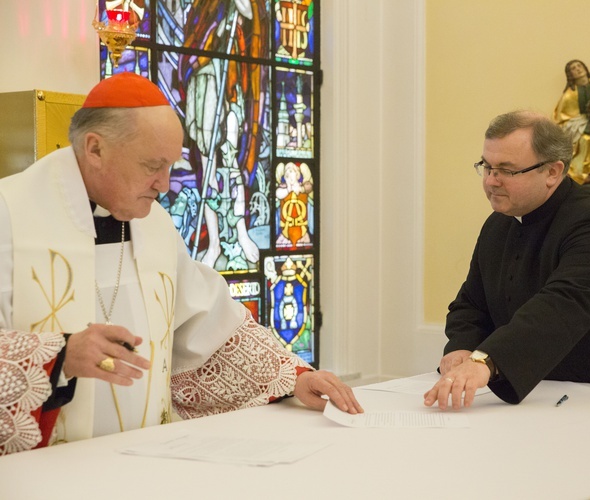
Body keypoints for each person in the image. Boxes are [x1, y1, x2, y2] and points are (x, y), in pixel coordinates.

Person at [0, 72, 362, 456]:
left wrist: (293, 377)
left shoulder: (153, 223)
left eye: (171, 165)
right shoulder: (11, 214)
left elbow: (208, 326)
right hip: (39, 472)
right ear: (95, 149)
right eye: (152, 165)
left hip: (143, 458)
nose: (166, 184)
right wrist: (60, 356)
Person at [423, 111, 590, 410]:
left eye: (506, 170)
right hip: (548, 395)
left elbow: (560, 307)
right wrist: (462, 347)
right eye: (487, 167)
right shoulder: (499, 225)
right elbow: (472, 303)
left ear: (552, 172)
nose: (491, 181)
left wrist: (487, 361)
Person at [553, 60, 590, 184]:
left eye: (579, 66)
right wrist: (589, 128)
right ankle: (584, 173)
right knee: (587, 140)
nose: (578, 69)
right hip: (580, 131)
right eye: (573, 68)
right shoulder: (569, 95)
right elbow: (564, 124)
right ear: (570, 75)